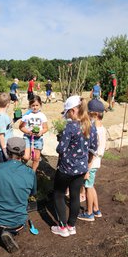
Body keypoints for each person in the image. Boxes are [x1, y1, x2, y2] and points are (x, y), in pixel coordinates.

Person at [51, 95, 98, 238]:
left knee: (58, 194)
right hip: (81, 168)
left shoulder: (70, 127)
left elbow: (60, 149)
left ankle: (63, 227)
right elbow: (93, 148)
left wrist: (60, 141)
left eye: (67, 113)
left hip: (66, 168)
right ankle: (72, 226)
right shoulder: (90, 125)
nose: (67, 116)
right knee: (75, 195)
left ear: (73, 111)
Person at [0, 137, 37, 253]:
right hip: (18, 223)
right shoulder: (30, 173)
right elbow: (32, 193)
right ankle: (10, 231)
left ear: (7, 152)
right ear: (23, 153)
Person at [78, 99, 106, 221]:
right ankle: (96, 209)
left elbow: (92, 152)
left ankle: (89, 213)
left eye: (88, 114)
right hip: (96, 162)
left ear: (94, 114)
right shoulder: (103, 128)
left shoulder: (95, 130)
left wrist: (87, 169)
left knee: (88, 186)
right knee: (91, 185)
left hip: (91, 163)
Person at [19, 95, 48, 172]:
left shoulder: (42, 116)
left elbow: (46, 128)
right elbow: (21, 127)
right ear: (30, 105)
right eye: (33, 105)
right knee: (26, 157)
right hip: (28, 138)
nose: (35, 107)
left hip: (38, 139)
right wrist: (28, 132)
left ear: (40, 105)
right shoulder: (27, 115)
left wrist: (41, 132)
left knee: (36, 158)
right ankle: (21, 168)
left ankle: (33, 173)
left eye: (37, 105)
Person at [0, 92, 13, 162]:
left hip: (6, 147)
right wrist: (5, 150)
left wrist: (14, 120)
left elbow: (6, 128)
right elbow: (1, 135)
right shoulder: (1, 117)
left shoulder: (3, 115)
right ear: (8, 104)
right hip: (3, 149)